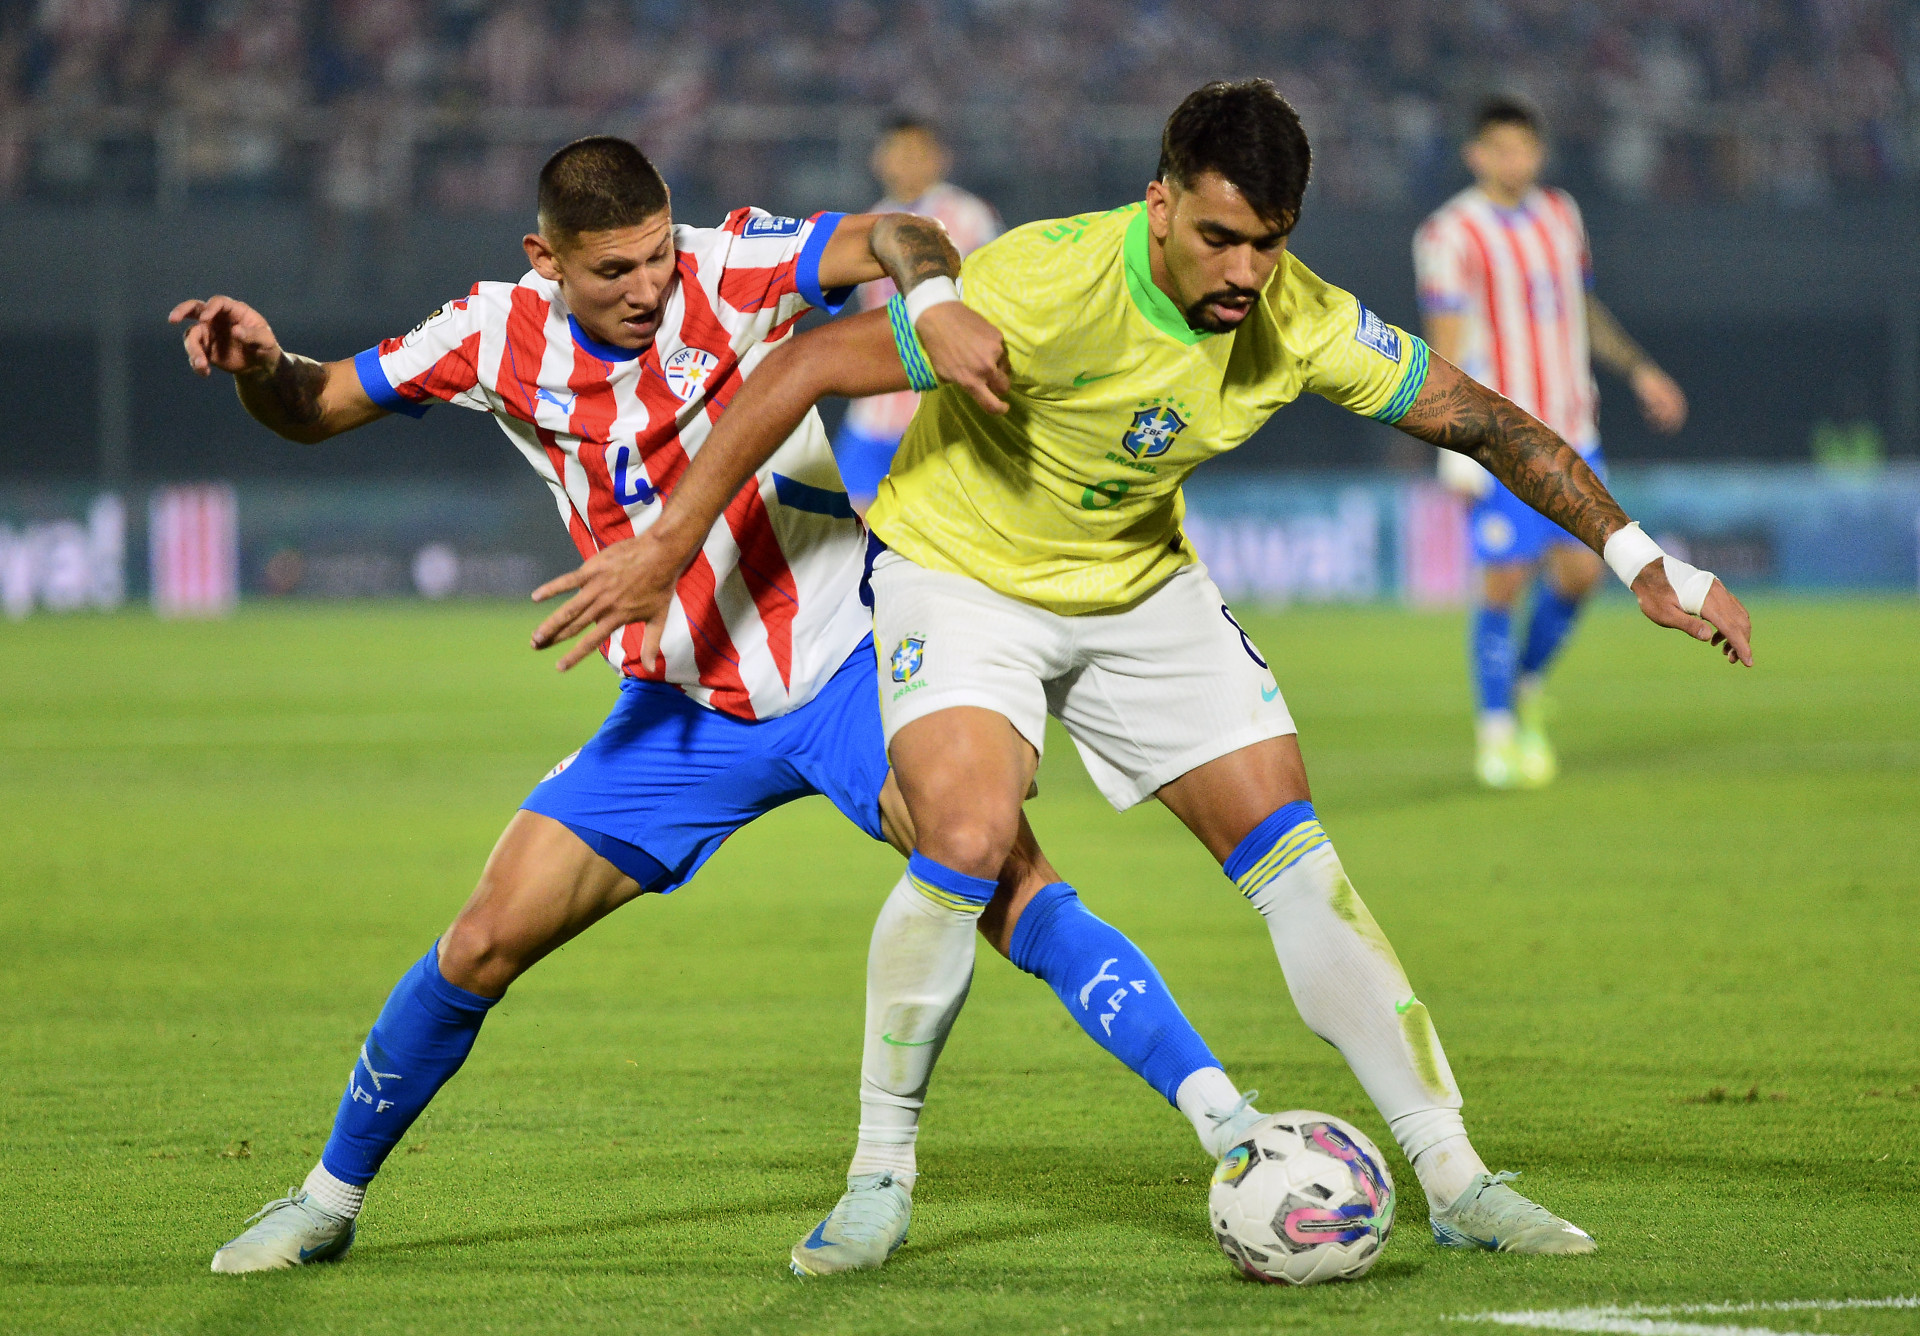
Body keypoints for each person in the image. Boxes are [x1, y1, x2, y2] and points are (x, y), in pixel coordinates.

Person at [536, 82, 1753, 1261]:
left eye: (1266, 245)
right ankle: (879, 1174)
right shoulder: (1040, 282)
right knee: (963, 832)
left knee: (1297, 858)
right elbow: (799, 370)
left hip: (1135, 579)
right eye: (1218, 235)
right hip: (963, 575)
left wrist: (1646, 561)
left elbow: (1489, 419)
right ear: (1160, 203)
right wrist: (666, 547)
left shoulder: (1303, 318)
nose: (1241, 271)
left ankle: (1457, 1176)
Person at [170, 137, 1268, 1277]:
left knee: (1001, 878)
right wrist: (263, 363)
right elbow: (316, 402)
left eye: (656, 256)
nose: (647, 288)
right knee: (483, 938)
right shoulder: (490, 333)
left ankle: (1233, 1131)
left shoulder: (735, 264)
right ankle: (325, 1199)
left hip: (852, 664)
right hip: (682, 709)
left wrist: (931, 293)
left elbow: (900, 233)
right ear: (544, 258)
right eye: (613, 273)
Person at [1415, 97, 1690, 788]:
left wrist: (1640, 368)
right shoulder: (1449, 234)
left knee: (1580, 574)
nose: (1517, 161)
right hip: (1502, 435)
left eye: (1526, 148)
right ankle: (1496, 734)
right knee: (1504, 581)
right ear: (1477, 155)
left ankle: (1526, 685)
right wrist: (1452, 450)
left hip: (1575, 428)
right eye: (1502, 149)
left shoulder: (1561, 214)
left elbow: (1581, 308)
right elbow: (1442, 347)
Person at [832, 116, 1001, 513]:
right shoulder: (872, 220)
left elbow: (992, 292)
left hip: (943, 396)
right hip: (877, 403)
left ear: (939, 160)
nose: (908, 163)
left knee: (942, 520)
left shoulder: (968, 215)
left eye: (918, 153)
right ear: (880, 160)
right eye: (899, 153)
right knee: (850, 522)